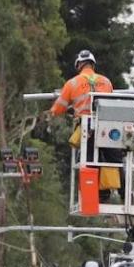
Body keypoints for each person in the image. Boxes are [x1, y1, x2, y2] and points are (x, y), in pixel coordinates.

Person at [51, 50, 123, 201]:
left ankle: (92, 194)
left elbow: (57, 109)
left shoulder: (73, 83)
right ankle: (120, 191)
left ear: (78, 65)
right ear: (93, 64)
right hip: (106, 128)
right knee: (114, 160)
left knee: (88, 160)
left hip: (86, 129)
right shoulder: (106, 82)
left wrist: (61, 109)